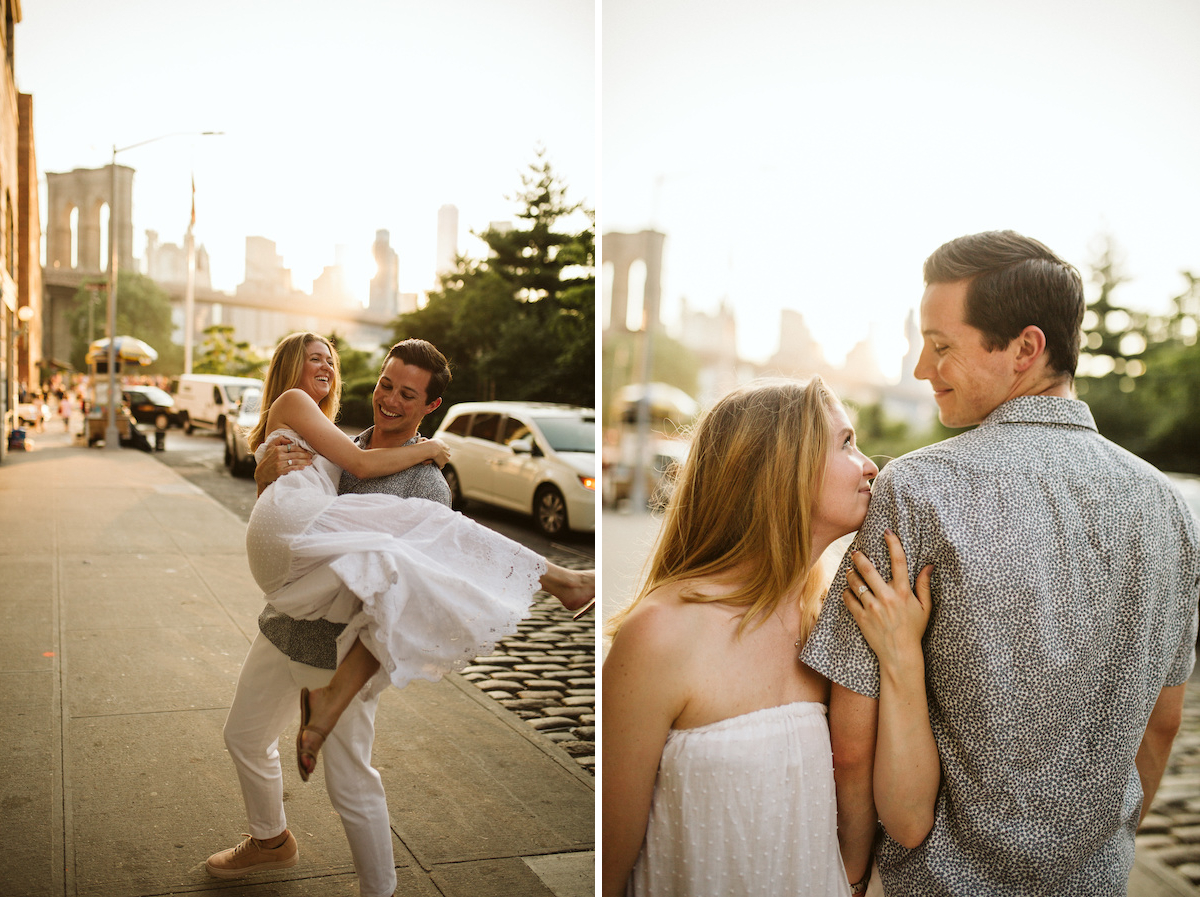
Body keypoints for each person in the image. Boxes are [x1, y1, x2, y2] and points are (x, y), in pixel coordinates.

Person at [801, 230, 1200, 895]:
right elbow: (1162, 723)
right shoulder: (1172, 510)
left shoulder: (917, 490)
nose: (924, 370)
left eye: (942, 346)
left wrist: (848, 868)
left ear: (1026, 348)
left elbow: (853, 740)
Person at [207, 335, 593, 897]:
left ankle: (379, 890)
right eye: (385, 385)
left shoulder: (426, 485)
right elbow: (293, 499)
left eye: (406, 394)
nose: (389, 400)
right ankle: (271, 841)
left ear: (429, 406)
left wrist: (349, 682)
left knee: (348, 778)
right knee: (243, 736)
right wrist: (267, 469)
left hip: (341, 645)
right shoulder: (345, 441)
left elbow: (417, 588)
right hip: (287, 617)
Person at [602, 377, 937, 897]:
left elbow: (897, 811)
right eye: (846, 443)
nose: (872, 466)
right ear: (782, 469)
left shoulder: (835, 619)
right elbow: (608, 866)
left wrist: (902, 653)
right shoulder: (660, 634)